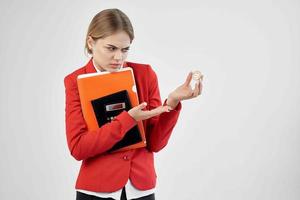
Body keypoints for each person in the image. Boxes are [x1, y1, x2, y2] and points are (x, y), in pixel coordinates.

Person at [64, 8, 203, 200]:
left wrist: (172, 102)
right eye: (111, 48)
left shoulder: (145, 75)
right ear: (91, 42)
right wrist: (128, 119)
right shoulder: (74, 81)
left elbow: (155, 143)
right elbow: (78, 148)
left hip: (141, 189)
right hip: (96, 190)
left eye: (125, 49)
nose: (119, 58)